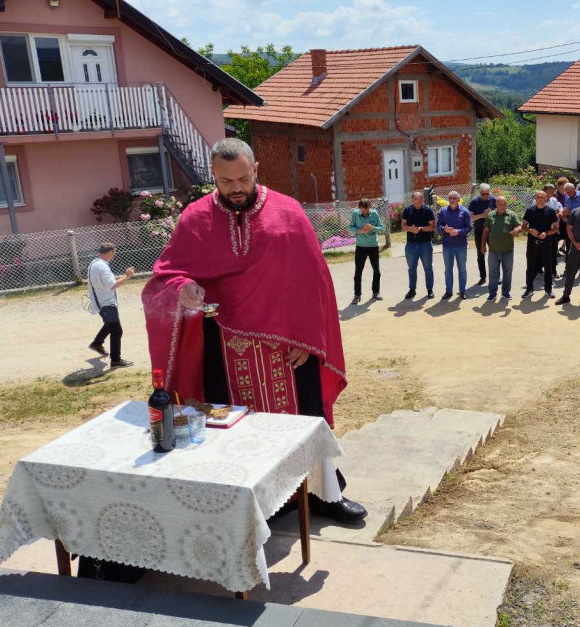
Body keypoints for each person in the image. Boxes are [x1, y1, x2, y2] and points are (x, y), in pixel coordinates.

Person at [142, 138, 364, 523]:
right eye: (226, 181)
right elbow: (166, 274)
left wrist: (310, 341)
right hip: (224, 349)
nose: (236, 187)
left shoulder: (288, 213)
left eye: (243, 178)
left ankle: (326, 495)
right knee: (236, 431)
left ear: (256, 170)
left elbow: (314, 283)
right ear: (213, 175)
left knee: (306, 423)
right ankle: (259, 501)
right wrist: (184, 289)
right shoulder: (195, 217)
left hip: (289, 348)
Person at [87, 242, 135, 368]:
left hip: (102, 302)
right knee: (117, 330)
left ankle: (96, 344)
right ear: (109, 253)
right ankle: (115, 360)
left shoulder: (95, 263)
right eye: (113, 254)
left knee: (110, 325)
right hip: (106, 303)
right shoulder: (102, 266)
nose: (113, 256)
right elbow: (112, 285)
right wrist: (127, 276)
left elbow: (108, 281)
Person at [481, 196, 522, 301]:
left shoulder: (511, 214)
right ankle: (492, 293)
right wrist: (482, 245)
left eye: (504, 204)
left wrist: (516, 230)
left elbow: (519, 226)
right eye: (500, 204)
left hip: (508, 250)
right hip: (493, 250)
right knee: (493, 273)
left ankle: (506, 293)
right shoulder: (491, 215)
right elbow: (486, 230)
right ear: (496, 204)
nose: (503, 206)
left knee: (507, 272)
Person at [522, 190, 559, 298]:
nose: (540, 199)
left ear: (546, 198)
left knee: (548, 267)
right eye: (538, 197)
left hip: (546, 243)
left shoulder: (551, 211)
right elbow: (523, 226)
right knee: (530, 266)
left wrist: (546, 233)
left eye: (542, 197)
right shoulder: (530, 210)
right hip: (532, 243)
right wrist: (530, 230)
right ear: (535, 198)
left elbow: (556, 228)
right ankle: (529, 289)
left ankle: (548, 290)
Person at [437, 191, 472, 300]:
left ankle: (462, 291)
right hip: (447, 245)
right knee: (448, 270)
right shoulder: (443, 211)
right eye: (450, 198)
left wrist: (458, 232)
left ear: (458, 199)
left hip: (461, 245)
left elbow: (469, 227)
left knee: (462, 269)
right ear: (448, 199)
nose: (452, 200)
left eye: (454, 198)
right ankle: (448, 291)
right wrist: (444, 229)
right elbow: (439, 225)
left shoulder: (465, 211)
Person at [349, 198, 384, 304]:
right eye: (362, 210)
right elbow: (350, 227)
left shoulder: (374, 214)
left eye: (366, 210)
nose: (364, 212)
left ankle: (376, 292)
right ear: (359, 208)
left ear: (369, 207)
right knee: (358, 272)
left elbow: (381, 228)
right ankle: (357, 295)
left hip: (373, 246)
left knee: (376, 271)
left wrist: (372, 228)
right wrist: (359, 230)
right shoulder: (355, 214)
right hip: (360, 247)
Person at [402, 190, 436, 300]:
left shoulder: (427, 210)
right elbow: (403, 225)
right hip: (411, 245)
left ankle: (430, 290)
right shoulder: (407, 210)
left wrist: (420, 229)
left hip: (425, 244)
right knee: (411, 268)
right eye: (416, 199)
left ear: (423, 199)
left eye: (420, 198)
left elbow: (432, 227)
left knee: (428, 268)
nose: (418, 201)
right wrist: (410, 229)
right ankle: (412, 290)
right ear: (412, 200)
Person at [467, 184, 496, 285]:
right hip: (479, 232)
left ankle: (496, 276)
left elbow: (500, 213)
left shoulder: (493, 199)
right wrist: (482, 215)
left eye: (487, 194)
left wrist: (492, 213)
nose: (486, 196)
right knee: (481, 255)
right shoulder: (474, 202)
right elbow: (470, 218)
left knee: (495, 255)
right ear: (479, 193)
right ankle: (483, 276)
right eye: (483, 194)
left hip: (492, 232)